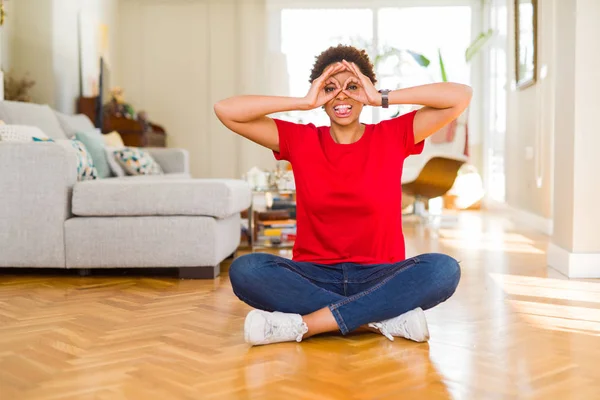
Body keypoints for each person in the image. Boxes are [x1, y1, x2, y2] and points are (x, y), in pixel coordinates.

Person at [214, 45, 472, 346]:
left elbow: (460, 96)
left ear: (365, 90)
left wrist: (380, 97)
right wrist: (303, 102)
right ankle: (379, 320)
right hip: (313, 274)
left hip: (380, 275)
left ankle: (309, 324)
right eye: (330, 88)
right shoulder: (301, 140)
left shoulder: (393, 135)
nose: (342, 96)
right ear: (320, 96)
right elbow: (226, 110)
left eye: (353, 87)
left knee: (444, 270)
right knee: (247, 270)